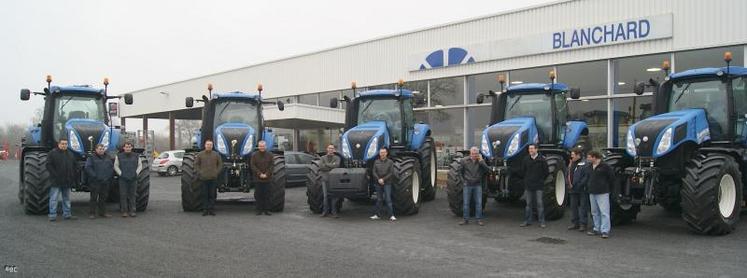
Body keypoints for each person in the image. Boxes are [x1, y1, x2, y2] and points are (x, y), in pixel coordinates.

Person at [46, 138, 78, 221]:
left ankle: (67, 214)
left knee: (66, 199)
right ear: (58, 144)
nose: (64, 145)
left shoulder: (70, 154)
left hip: (67, 181)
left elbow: (75, 165)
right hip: (56, 181)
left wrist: (72, 175)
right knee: (54, 199)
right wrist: (55, 175)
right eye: (62, 144)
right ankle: (52, 215)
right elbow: (48, 165)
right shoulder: (52, 153)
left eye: (66, 144)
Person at [520, 144, 549, 228]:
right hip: (529, 185)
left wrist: (541, 180)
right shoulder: (526, 159)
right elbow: (523, 171)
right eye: (529, 149)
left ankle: (542, 221)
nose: (530, 150)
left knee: (539, 203)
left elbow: (546, 172)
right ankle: (527, 221)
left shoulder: (542, 160)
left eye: (532, 149)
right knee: (528, 204)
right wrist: (527, 180)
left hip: (539, 185)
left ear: (536, 150)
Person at [459, 147, 490, 226]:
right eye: (473, 154)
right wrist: (463, 182)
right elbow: (460, 172)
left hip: (477, 185)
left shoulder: (480, 162)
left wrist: (482, 161)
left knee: (478, 203)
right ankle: (465, 219)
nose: (474, 155)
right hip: (467, 185)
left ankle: (479, 219)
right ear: (470, 153)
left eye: (476, 154)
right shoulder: (464, 161)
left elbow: (487, 170)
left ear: (478, 154)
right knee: (466, 203)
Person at [587, 151, 614, 239]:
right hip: (592, 192)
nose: (588, 158)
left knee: (604, 212)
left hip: (602, 192)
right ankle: (596, 228)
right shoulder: (589, 166)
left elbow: (611, 178)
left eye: (589, 157)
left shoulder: (605, 166)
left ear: (594, 157)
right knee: (594, 212)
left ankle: (605, 230)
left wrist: (608, 188)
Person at [84, 144, 114, 219]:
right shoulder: (91, 158)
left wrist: (108, 176)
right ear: (96, 150)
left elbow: (111, 168)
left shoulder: (108, 157)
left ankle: (103, 212)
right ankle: (92, 213)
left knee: (103, 198)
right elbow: (88, 168)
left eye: (102, 149)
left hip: (105, 181)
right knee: (94, 198)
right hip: (95, 181)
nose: (101, 150)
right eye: (100, 149)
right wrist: (95, 176)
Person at [194, 139, 223, 216]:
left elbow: (220, 164)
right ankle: (205, 210)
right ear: (205, 145)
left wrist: (216, 172)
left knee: (212, 195)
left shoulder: (216, 155)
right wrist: (200, 172)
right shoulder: (200, 155)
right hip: (204, 178)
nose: (209, 146)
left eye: (210, 145)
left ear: (212, 146)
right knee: (204, 195)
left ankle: (211, 209)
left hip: (213, 178)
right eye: (208, 144)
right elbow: (196, 164)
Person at [114, 142, 143, 217]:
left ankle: (132, 211)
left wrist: (136, 174)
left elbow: (140, 165)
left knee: (132, 195)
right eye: (126, 147)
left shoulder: (137, 156)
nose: (128, 148)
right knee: (123, 195)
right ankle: (124, 211)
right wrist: (121, 174)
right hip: (123, 179)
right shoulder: (119, 156)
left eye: (129, 147)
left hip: (133, 178)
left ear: (131, 148)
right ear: (123, 148)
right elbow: (116, 166)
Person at [567, 148, 591, 232]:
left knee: (583, 207)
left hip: (582, 189)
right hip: (572, 189)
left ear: (578, 155)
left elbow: (586, 176)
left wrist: (580, 184)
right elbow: (568, 174)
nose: (571, 156)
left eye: (573, 155)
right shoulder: (571, 164)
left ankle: (583, 224)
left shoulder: (585, 164)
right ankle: (575, 223)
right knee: (573, 207)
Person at [370, 148, 396, 221]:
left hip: (387, 183)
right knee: (379, 199)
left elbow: (391, 173)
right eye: (381, 152)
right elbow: (374, 172)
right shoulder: (376, 162)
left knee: (388, 199)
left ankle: (391, 215)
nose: (383, 154)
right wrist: (378, 179)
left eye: (384, 152)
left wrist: (383, 179)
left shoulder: (390, 162)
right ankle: (377, 215)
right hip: (378, 183)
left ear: (386, 153)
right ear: (379, 153)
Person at [250, 140, 274, 216]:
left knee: (267, 195)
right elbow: (253, 165)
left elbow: (272, 166)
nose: (262, 147)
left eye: (263, 146)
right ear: (258, 147)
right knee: (258, 195)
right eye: (260, 146)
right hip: (258, 179)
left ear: (265, 146)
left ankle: (267, 210)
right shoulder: (254, 155)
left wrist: (266, 174)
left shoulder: (270, 155)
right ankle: (259, 210)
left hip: (267, 178)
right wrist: (259, 174)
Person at [319, 144, 341, 218]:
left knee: (334, 196)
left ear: (334, 150)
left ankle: (334, 212)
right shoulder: (322, 158)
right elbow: (321, 167)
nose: (331, 149)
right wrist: (332, 165)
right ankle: (325, 212)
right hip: (325, 179)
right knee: (325, 196)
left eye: (332, 148)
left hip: (334, 180)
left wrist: (326, 165)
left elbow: (337, 166)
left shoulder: (337, 158)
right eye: (329, 148)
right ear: (327, 149)